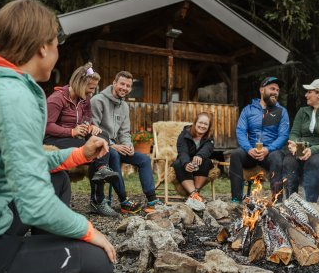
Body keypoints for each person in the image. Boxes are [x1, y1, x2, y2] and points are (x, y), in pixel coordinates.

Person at [0, 0, 115, 273]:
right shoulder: (12, 96)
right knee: (99, 262)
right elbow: (34, 204)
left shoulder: (2, 84)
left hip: (0, 212)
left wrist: (78, 154)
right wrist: (88, 231)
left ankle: (38, 258)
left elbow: (26, 162)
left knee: (58, 178)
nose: (58, 51)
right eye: (57, 42)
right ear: (43, 47)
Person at [91, 70, 162, 215]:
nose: (124, 88)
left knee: (144, 159)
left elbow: (124, 132)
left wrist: (128, 145)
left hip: (115, 146)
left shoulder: (124, 106)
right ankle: (124, 201)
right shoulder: (98, 100)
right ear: (114, 83)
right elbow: (93, 130)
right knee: (114, 155)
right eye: (122, 84)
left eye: (128, 86)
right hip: (99, 146)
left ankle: (152, 199)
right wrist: (112, 145)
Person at [44, 62, 119, 185]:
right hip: (54, 139)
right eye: (91, 88)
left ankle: (102, 170)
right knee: (94, 147)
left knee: (102, 135)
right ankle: (97, 196)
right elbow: (47, 126)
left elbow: (87, 117)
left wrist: (91, 126)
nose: (92, 92)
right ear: (80, 84)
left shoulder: (84, 100)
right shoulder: (57, 99)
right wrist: (72, 131)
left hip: (72, 137)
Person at [230, 77, 290, 203]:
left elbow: (283, 135)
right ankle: (236, 199)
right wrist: (248, 148)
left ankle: (277, 202)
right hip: (251, 151)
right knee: (235, 154)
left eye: (277, 90)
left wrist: (268, 149)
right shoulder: (248, 109)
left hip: (271, 153)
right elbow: (240, 131)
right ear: (262, 90)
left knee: (277, 157)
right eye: (272, 89)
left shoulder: (281, 111)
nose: (275, 92)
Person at [172, 112, 215, 202]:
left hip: (199, 163)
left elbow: (208, 148)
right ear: (195, 122)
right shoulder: (184, 134)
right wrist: (186, 163)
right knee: (178, 163)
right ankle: (194, 194)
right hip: (185, 160)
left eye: (205, 124)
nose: (202, 126)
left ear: (209, 126)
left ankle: (195, 192)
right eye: (200, 122)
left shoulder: (209, 137)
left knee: (206, 162)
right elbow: (182, 151)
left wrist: (200, 155)